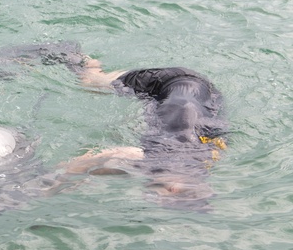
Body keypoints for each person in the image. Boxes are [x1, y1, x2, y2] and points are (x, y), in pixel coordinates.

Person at [63, 58, 228, 202]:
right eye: (155, 196)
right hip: (167, 81)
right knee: (91, 83)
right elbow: (96, 158)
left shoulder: (202, 163)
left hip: (209, 95)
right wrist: (55, 182)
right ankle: (82, 59)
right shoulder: (161, 158)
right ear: (173, 189)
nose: (147, 195)